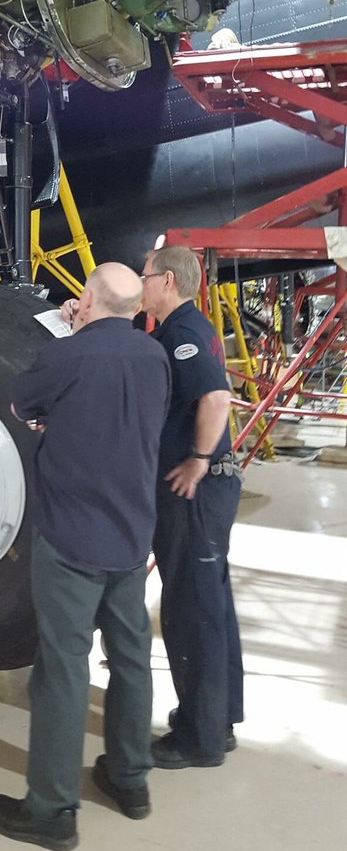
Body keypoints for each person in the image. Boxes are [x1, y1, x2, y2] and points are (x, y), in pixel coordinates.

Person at [0, 263, 171, 851]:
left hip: (72, 539)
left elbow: (21, 404)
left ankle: (51, 811)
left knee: (64, 670)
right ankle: (130, 780)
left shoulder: (69, 355)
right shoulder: (155, 357)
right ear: (137, 306)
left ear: (87, 300)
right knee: (131, 658)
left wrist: (65, 334)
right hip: (131, 534)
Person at [141, 245, 244, 770]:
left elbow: (216, 397)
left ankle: (199, 739)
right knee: (210, 604)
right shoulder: (183, 327)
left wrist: (199, 458)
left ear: (167, 281)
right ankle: (217, 718)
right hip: (206, 497)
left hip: (194, 494)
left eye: (145, 275)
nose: (141, 283)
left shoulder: (181, 334)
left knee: (190, 611)